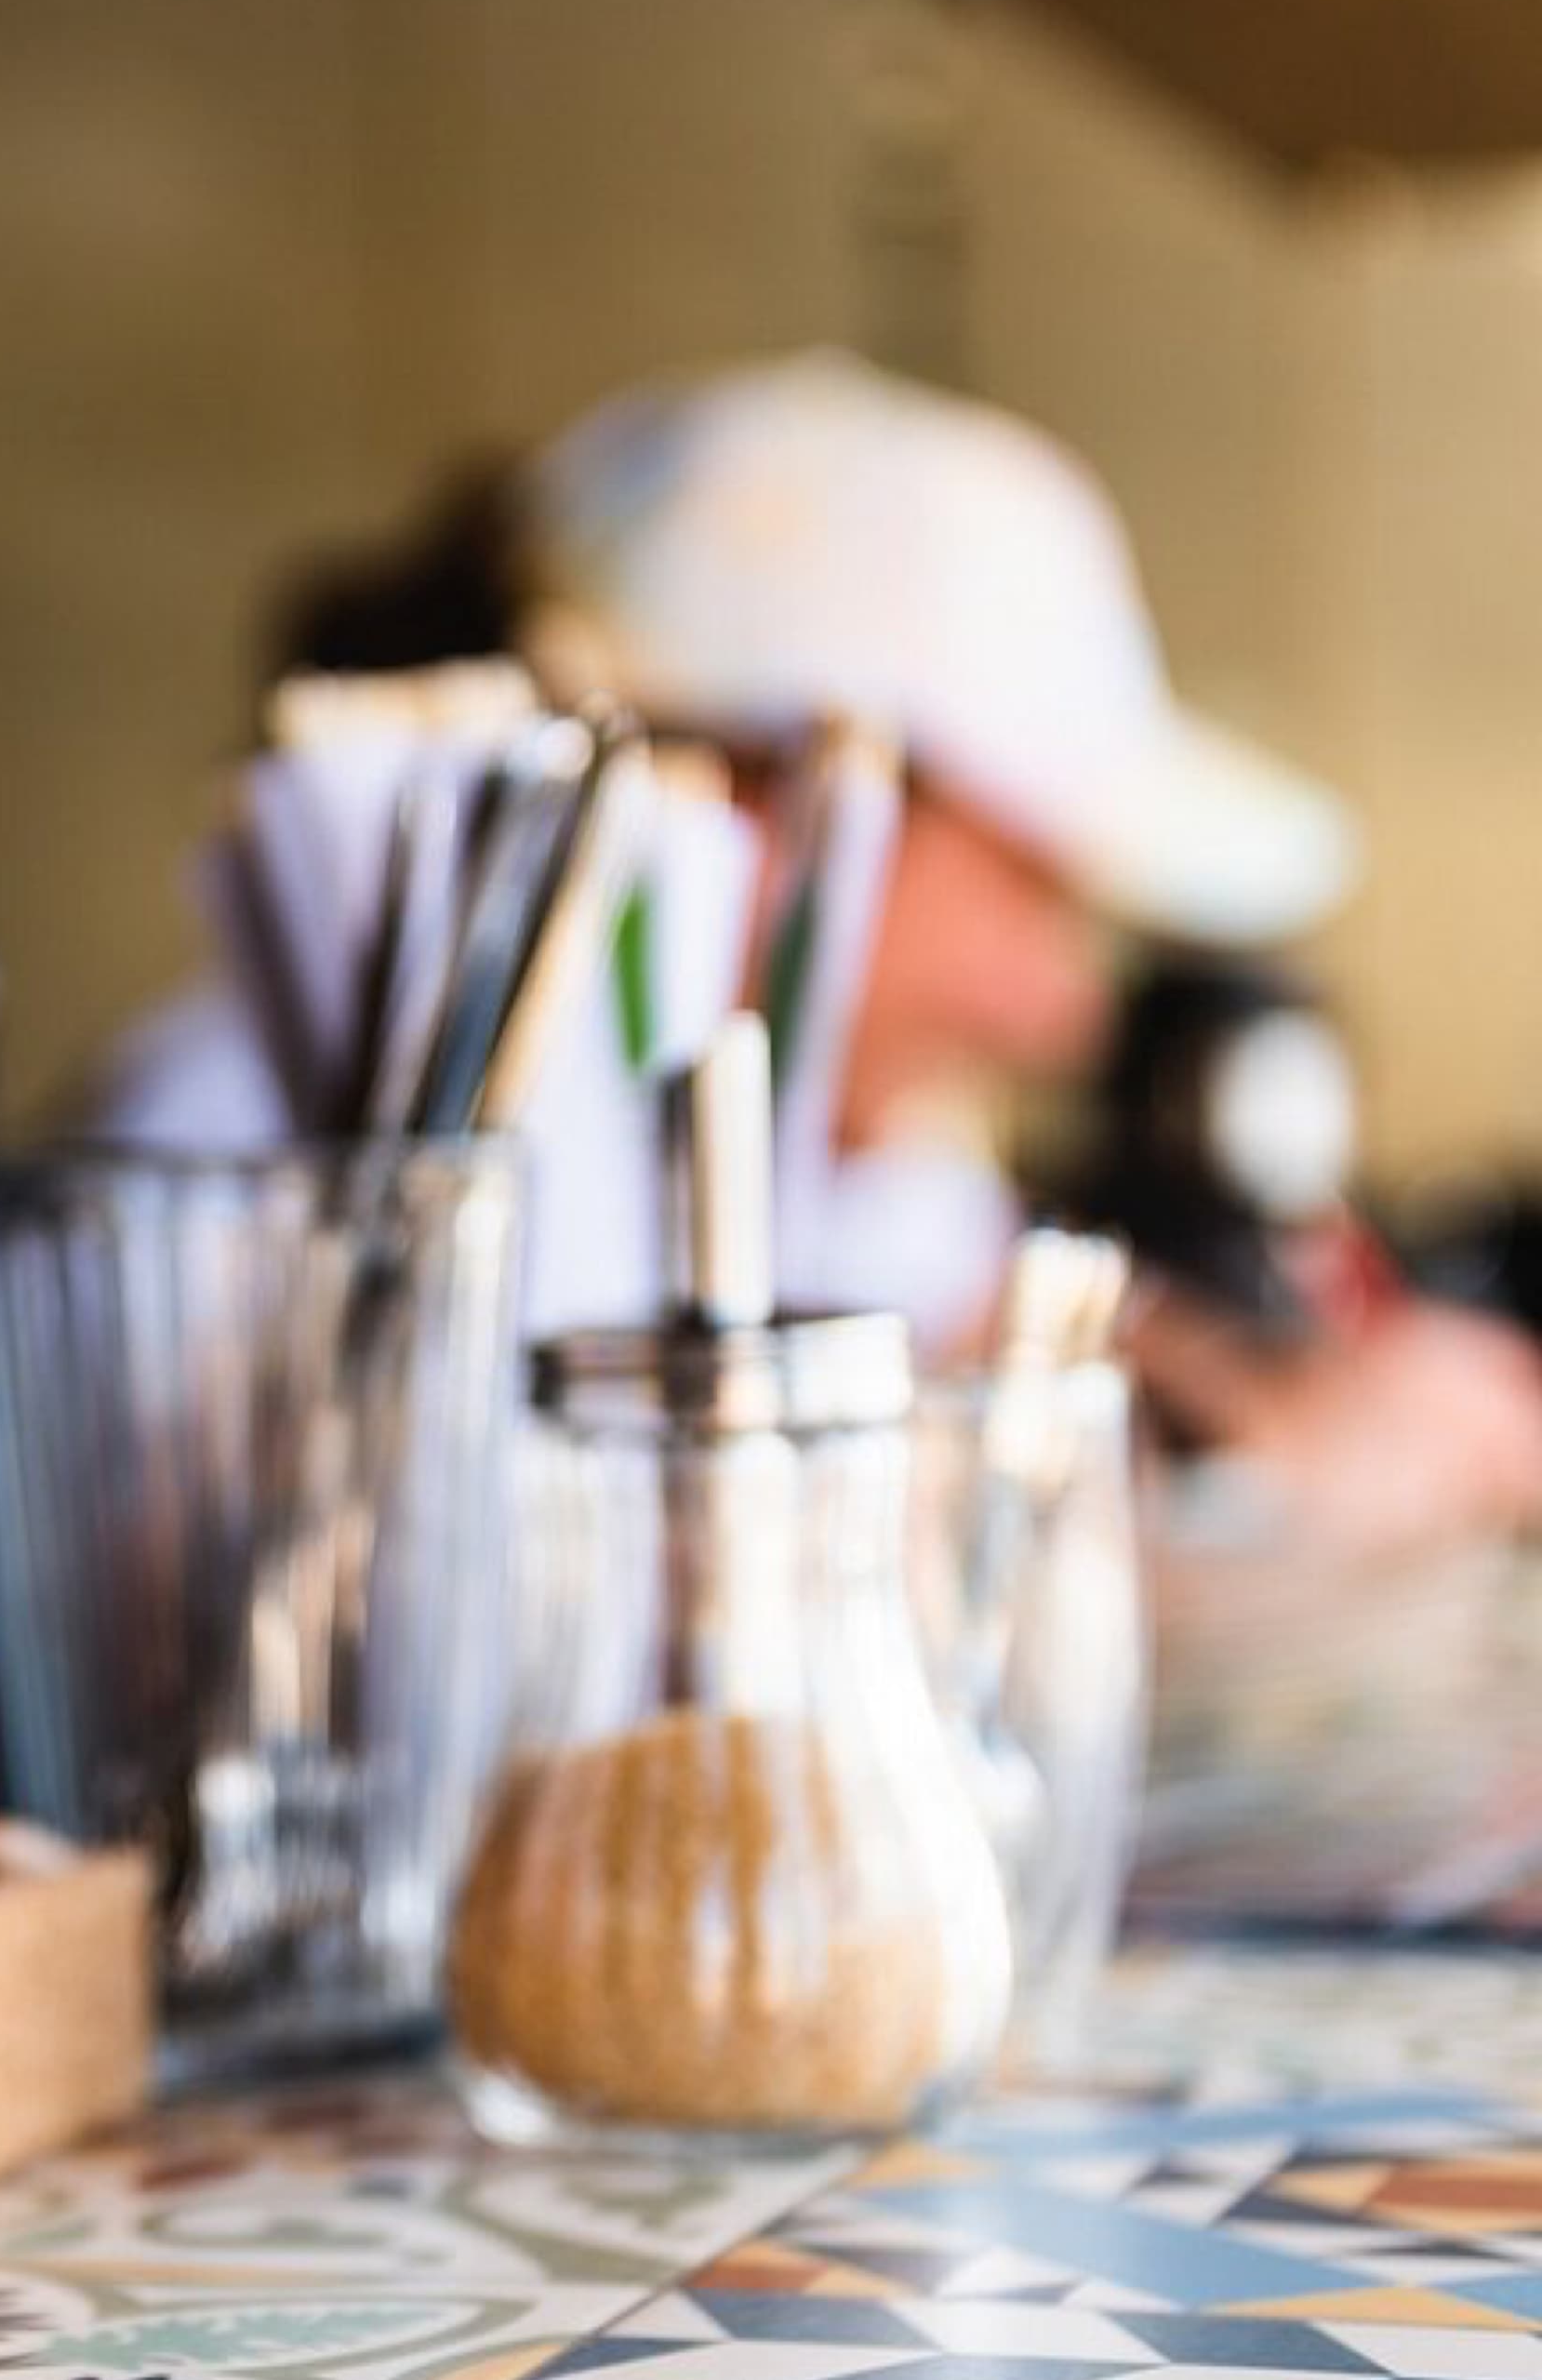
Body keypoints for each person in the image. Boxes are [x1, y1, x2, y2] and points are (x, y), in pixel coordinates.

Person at [246, 350, 1542, 1562]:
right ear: (760, 800)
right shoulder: (288, 1161)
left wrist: (1302, 1417)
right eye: (1037, 878)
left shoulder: (825, 1162)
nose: (1072, 996)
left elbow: (1066, 1347)